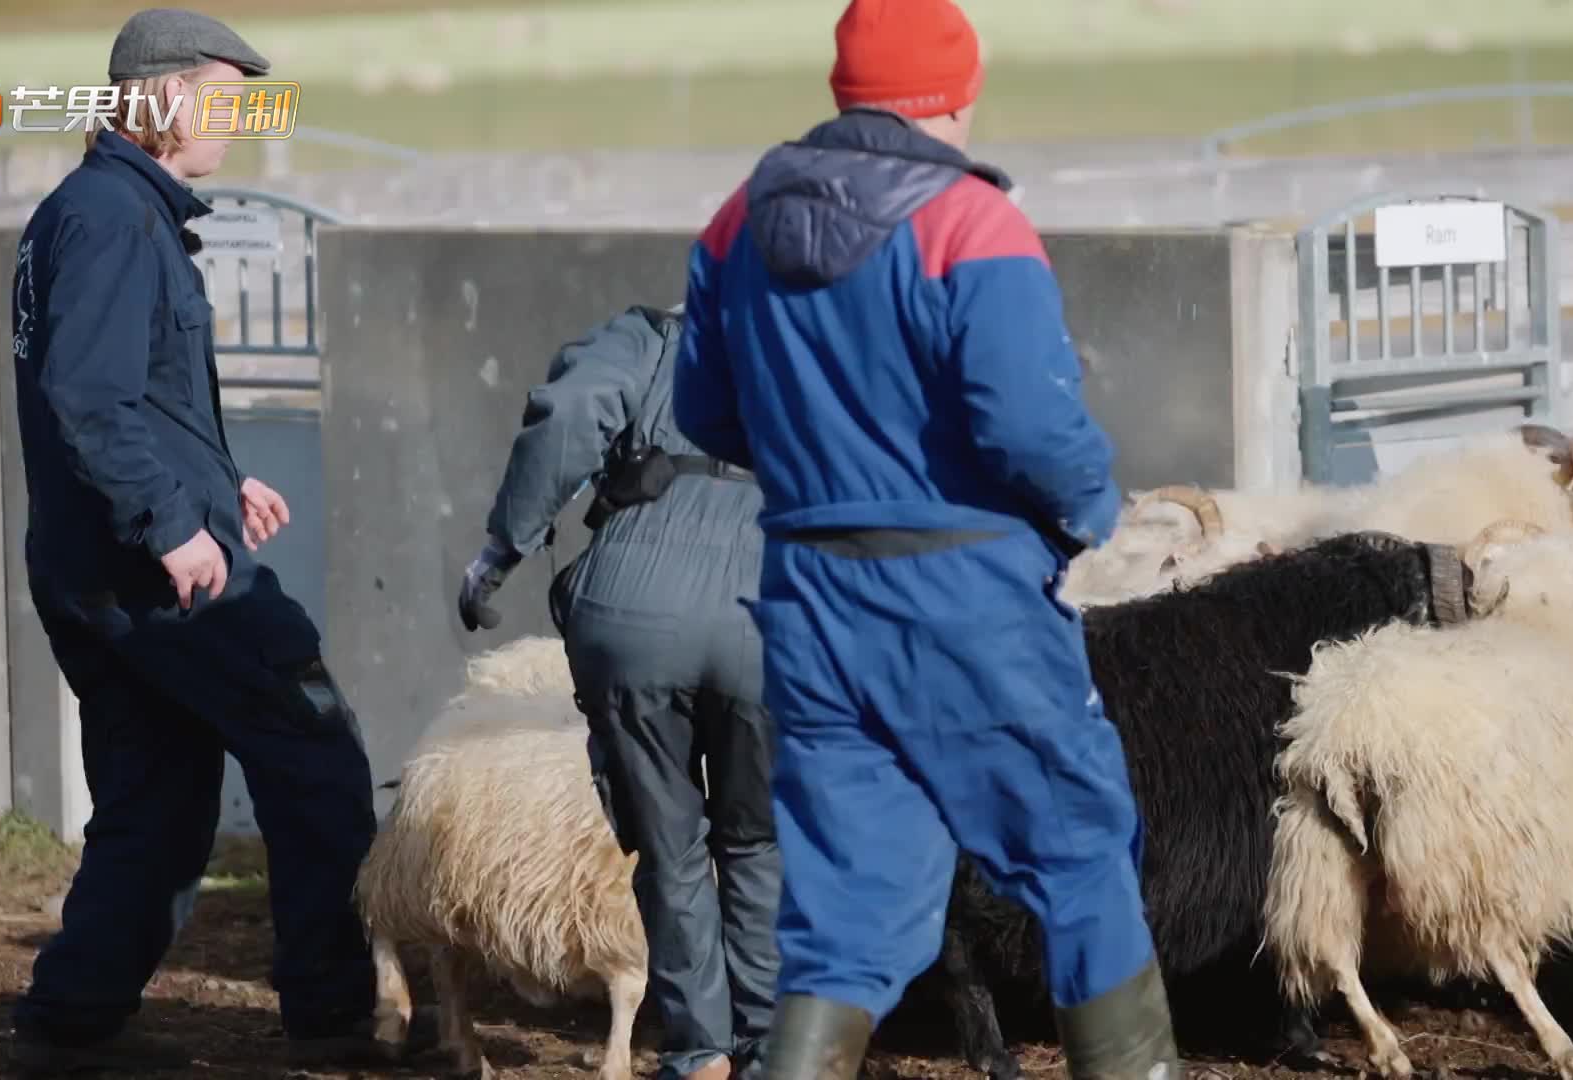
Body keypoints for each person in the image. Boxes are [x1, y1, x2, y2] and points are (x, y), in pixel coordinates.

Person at [670, 1, 1186, 1078]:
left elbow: (706, 413)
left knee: (847, 912)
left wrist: (821, 475)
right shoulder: (972, 223)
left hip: (811, 601)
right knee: (1078, 857)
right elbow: (1028, 425)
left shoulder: (735, 223)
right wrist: (1089, 513)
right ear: (957, 92)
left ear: (844, 90)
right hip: (969, 595)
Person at [6, 8, 432, 1074]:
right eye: (225, 101)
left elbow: (126, 395)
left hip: (99, 565)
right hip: (156, 576)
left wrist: (216, 481)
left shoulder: (91, 211)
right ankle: (334, 1014)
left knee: (155, 799)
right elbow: (88, 401)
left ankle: (70, 1026)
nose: (238, 121)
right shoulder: (114, 221)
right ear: (163, 97)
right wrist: (173, 524)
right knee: (313, 746)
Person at [456, 305, 780, 1080]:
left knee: (670, 846)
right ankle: (774, 1049)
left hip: (636, 608)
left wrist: (502, 548)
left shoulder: (653, 336)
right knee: (762, 841)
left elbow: (569, 414)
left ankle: (700, 1052)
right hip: (777, 609)